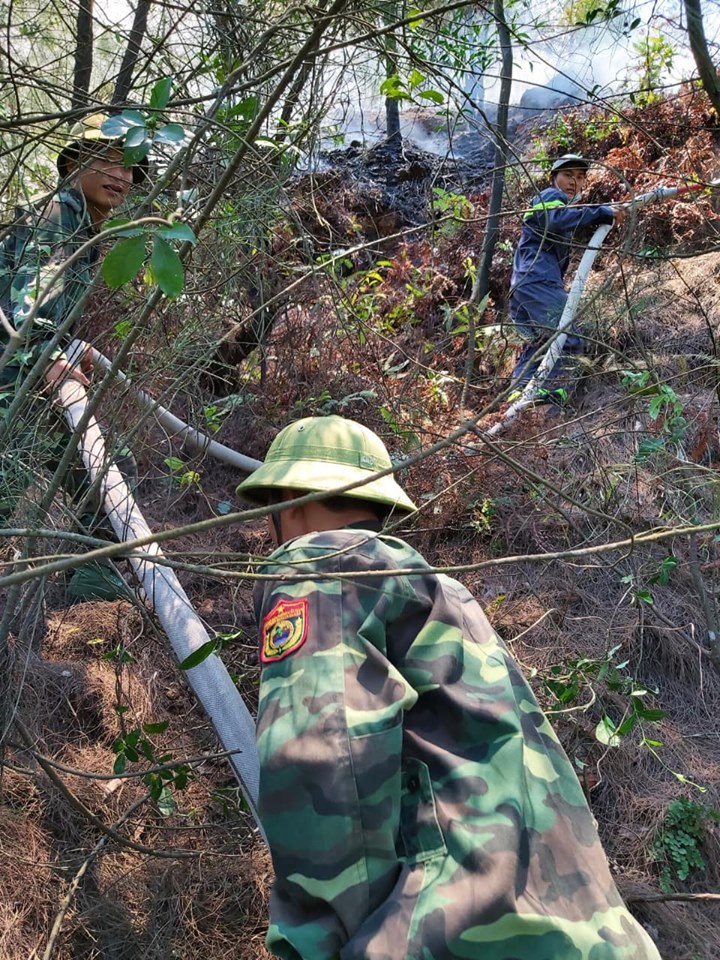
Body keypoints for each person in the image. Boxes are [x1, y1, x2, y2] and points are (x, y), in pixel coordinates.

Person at [236, 414, 662, 960]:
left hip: (453, 936)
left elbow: (326, 753)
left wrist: (314, 942)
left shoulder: (320, 567)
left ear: (288, 501)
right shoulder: (445, 596)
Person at [0, 113, 148, 600]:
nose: (121, 175)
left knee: (102, 472)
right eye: (108, 160)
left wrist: (65, 349)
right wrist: (50, 358)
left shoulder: (82, 224)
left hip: (21, 378)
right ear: (73, 165)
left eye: (131, 168)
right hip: (10, 384)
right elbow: (26, 312)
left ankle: (95, 583)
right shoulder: (58, 216)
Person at [509, 153, 626, 403]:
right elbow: (556, 219)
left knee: (539, 345)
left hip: (524, 286)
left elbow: (562, 221)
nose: (574, 182)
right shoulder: (551, 197)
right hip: (537, 280)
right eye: (568, 175)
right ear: (554, 179)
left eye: (580, 177)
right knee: (568, 336)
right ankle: (548, 397)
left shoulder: (562, 208)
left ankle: (516, 400)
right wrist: (601, 212)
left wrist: (599, 214)